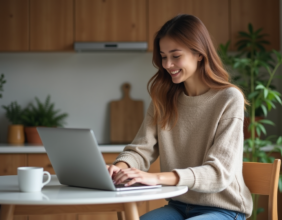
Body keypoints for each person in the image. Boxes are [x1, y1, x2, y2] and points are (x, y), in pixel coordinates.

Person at [107, 14, 253, 220]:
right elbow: (141, 150)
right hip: (179, 205)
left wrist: (155, 178)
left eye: (175, 56)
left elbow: (218, 173)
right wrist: (119, 168)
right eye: (163, 56)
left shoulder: (229, 98)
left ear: (199, 54)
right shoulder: (163, 98)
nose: (167, 64)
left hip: (224, 209)